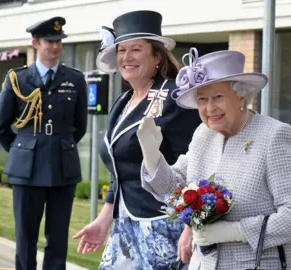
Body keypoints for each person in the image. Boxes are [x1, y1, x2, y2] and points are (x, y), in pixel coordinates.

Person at [137, 47, 291, 270]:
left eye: (218, 97)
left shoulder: (273, 136)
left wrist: (236, 232)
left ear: (241, 95)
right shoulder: (203, 134)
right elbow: (174, 190)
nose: (210, 108)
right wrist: (152, 156)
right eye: (202, 100)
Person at [72, 10, 201, 270]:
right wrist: (103, 219)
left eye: (136, 50)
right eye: (121, 50)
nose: (126, 57)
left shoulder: (175, 97)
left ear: (156, 56)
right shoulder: (123, 102)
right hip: (125, 225)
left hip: (164, 228)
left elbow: (197, 167)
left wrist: (192, 227)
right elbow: (120, 173)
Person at [0, 16, 88, 270]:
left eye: (59, 41)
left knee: (58, 239)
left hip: (62, 168)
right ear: (35, 43)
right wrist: (23, 148)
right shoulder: (18, 79)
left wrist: (57, 145)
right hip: (27, 170)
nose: (55, 46)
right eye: (49, 41)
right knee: (25, 238)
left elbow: (80, 127)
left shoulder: (75, 79)